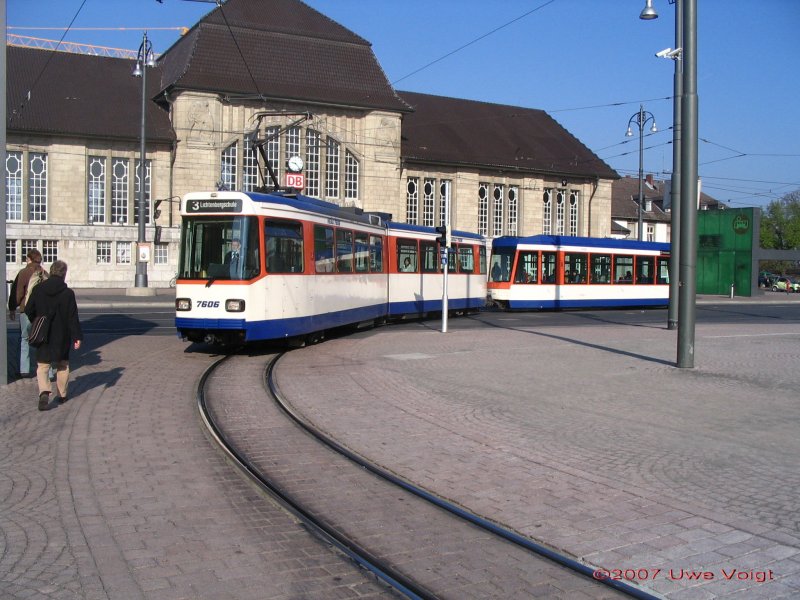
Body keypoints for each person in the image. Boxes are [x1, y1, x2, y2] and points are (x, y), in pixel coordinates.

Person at [24, 260, 83, 411]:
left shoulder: (38, 289)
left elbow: (29, 309)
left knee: (43, 365)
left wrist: (37, 321)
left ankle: (44, 391)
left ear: (51, 271)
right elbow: (72, 317)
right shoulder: (68, 293)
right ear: (64, 274)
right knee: (62, 364)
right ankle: (62, 395)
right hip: (62, 334)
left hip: (43, 332)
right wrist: (77, 337)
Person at [7, 249, 48, 378]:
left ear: (29, 259)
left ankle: (24, 370)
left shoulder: (24, 272)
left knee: (24, 339)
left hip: (26, 311)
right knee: (43, 340)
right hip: (42, 312)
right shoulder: (44, 273)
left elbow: (17, 293)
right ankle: (49, 371)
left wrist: (12, 308)